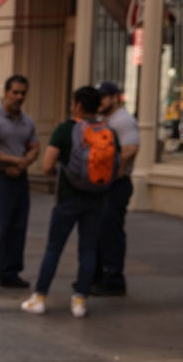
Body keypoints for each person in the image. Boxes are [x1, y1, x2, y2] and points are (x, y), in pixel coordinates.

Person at [21, 85, 118, 319]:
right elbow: (117, 165)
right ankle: (80, 301)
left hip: (68, 198)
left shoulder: (66, 129)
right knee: (88, 249)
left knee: (54, 247)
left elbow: (46, 165)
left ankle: (40, 297)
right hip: (97, 198)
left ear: (78, 105)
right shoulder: (108, 132)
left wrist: (65, 174)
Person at [0, 75, 40, 293]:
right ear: (6, 93)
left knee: (17, 227)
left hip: (19, 180)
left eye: (23, 93)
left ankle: (10, 273)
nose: (19, 97)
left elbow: (34, 147)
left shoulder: (27, 121)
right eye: (15, 92)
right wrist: (14, 161)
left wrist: (24, 164)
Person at [93, 81, 139, 296]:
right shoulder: (105, 120)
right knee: (99, 231)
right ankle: (99, 276)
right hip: (105, 184)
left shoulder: (123, 120)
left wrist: (114, 169)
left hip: (117, 184)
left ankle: (114, 278)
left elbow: (131, 149)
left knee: (111, 232)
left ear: (114, 97)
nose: (100, 101)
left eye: (103, 96)